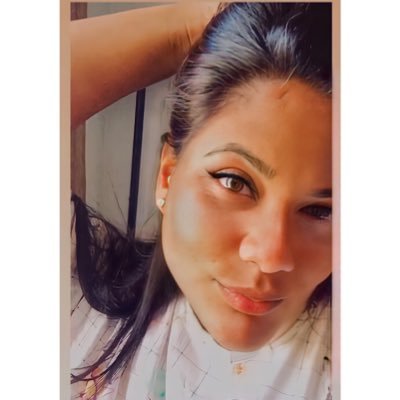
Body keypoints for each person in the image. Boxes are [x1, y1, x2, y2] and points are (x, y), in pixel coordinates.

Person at [70, 2, 333, 399]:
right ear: (167, 176)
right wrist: (209, 19)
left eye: (321, 210)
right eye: (234, 182)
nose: (271, 256)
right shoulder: (79, 297)